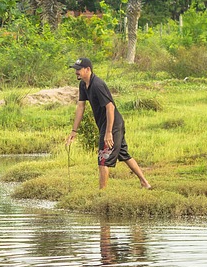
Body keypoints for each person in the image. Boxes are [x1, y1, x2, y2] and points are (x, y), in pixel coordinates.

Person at [64, 57, 152, 191]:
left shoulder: (97, 85)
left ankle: (102, 193)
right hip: (108, 124)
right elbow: (81, 107)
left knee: (103, 159)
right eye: (75, 70)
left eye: (78, 69)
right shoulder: (83, 84)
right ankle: (145, 183)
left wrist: (108, 132)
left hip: (113, 124)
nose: (76, 72)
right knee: (124, 154)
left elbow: (110, 108)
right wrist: (74, 131)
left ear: (88, 69)